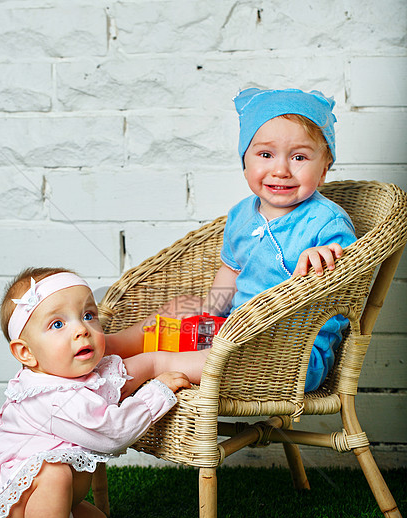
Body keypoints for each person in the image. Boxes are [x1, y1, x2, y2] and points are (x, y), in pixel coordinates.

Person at [0, 268, 189, 518]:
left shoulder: (84, 372)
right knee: (52, 470)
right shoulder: (49, 395)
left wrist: (171, 333)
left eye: (88, 315)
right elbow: (113, 433)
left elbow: (135, 352)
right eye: (58, 324)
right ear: (26, 353)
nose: (82, 330)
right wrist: (156, 392)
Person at [106, 88, 357, 395]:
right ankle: (112, 344)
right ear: (245, 161)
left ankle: (150, 367)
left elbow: (349, 281)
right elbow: (231, 272)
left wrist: (330, 256)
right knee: (177, 312)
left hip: (291, 354)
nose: (280, 169)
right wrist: (208, 313)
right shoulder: (241, 215)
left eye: (300, 157)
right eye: (265, 155)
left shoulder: (326, 222)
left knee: (211, 353)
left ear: (324, 169)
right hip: (235, 330)